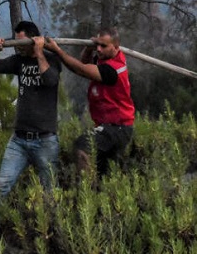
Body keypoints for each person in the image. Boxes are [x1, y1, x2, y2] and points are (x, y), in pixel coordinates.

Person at [0, 21, 62, 239]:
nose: (18, 46)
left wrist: (39, 52)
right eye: (15, 42)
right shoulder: (18, 61)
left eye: (21, 42)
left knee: (50, 192)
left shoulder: (52, 58)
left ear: (33, 39)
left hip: (45, 141)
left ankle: (54, 236)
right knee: (1, 187)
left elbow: (50, 80)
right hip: (18, 141)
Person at [45, 28, 135, 175]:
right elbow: (85, 62)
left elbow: (80, 69)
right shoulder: (106, 58)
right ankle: (98, 193)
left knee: (83, 145)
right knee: (104, 172)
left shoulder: (112, 70)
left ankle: (85, 190)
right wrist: (88, 49)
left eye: (103, 46)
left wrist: (57, 50)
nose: (98, 49)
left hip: (116, 128)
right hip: (114, 127)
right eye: (97, 45)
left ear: (116, 47)